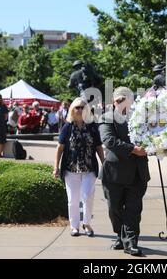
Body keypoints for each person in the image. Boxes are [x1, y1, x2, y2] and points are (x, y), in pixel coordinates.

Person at [98, 87, 150, 257]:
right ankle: (121, 235)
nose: (122, 103)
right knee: (115, 209)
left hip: (137, 172)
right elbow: (109, 140)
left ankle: (131, 242)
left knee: (133, 210)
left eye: (125, 100)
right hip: (114, 174)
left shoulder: (141, 117)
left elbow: (152, 136)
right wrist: (133, 149)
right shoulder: (107, 118)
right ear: (113, 102)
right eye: (119, 100)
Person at [53, 98, 104, 237]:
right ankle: (74, 226)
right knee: (72, 200)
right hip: (71, 170)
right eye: (77, 108)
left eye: (82, 107)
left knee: (88, 196)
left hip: (89, 169)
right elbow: (60, 148)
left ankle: (87, 223)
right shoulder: (67, 127)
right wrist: (56, 167)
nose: (80, 110)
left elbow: (99, 147)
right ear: (72, 110)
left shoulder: (92, 126)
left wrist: (104, 163)